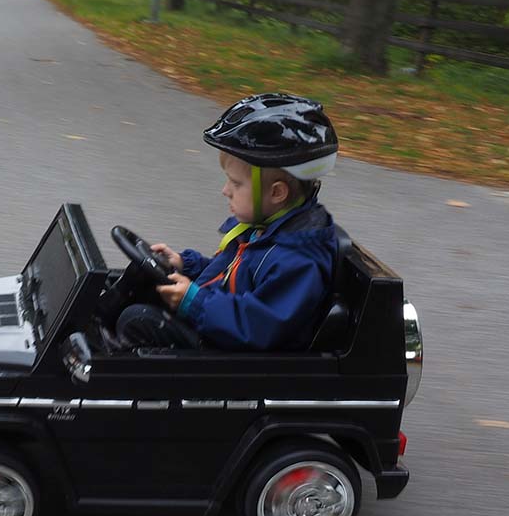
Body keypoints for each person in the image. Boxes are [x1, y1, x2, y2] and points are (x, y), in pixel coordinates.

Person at [117, 93, 341, 351]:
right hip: (219, 330)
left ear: (277, 193)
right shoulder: (264, 232)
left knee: (137, 321)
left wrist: (196, 302)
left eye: (236, 183)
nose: (226, 190)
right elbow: (228, 275)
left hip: (236, 361)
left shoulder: (298, 261)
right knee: (140, 286)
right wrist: (185, 265)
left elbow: (258, 326)